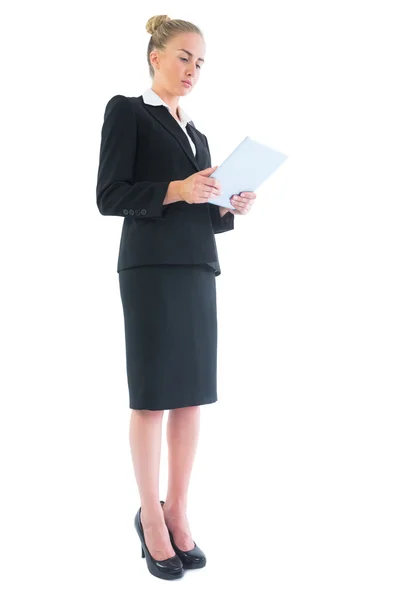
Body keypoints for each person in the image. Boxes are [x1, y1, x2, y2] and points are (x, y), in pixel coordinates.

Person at [95, 14, 256, 580]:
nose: (192, 70)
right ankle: (150, 517)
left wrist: (222, 205)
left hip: (195, 268)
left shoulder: (197, 134)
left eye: (200, 62)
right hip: (149, 270)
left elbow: (195, 212)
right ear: (155, 57)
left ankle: (179, 511)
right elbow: (109, 195)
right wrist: (178, 188)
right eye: (184, 57)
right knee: (152, 397)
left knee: (190, 396)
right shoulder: (127, 110)